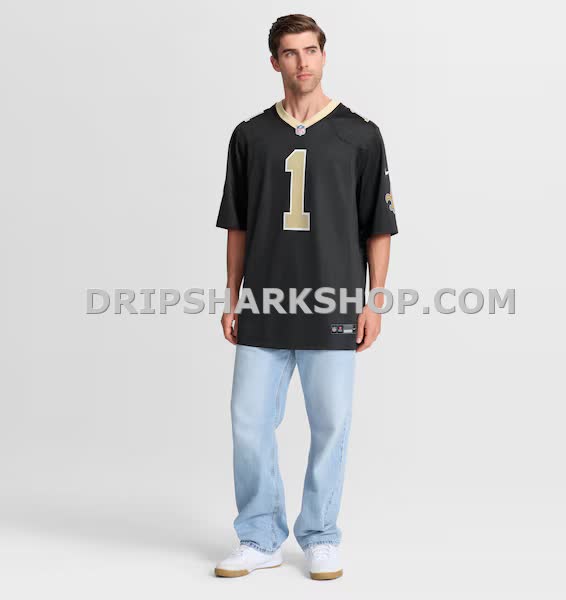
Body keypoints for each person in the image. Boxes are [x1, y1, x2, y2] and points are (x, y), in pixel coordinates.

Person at [214, 14, 398, 580]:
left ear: (324, 55)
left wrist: (374, 301)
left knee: (331, 425)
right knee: (248, 422)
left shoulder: (360, 135)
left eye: (311, 50)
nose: (303, 62)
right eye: (291, 53)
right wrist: (233, 298)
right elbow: (238, 225)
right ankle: (260, 536)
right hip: (265, 304)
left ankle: (320, 535)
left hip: (332, 303)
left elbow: (378, 227)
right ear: (275, 62)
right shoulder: (250, 135)